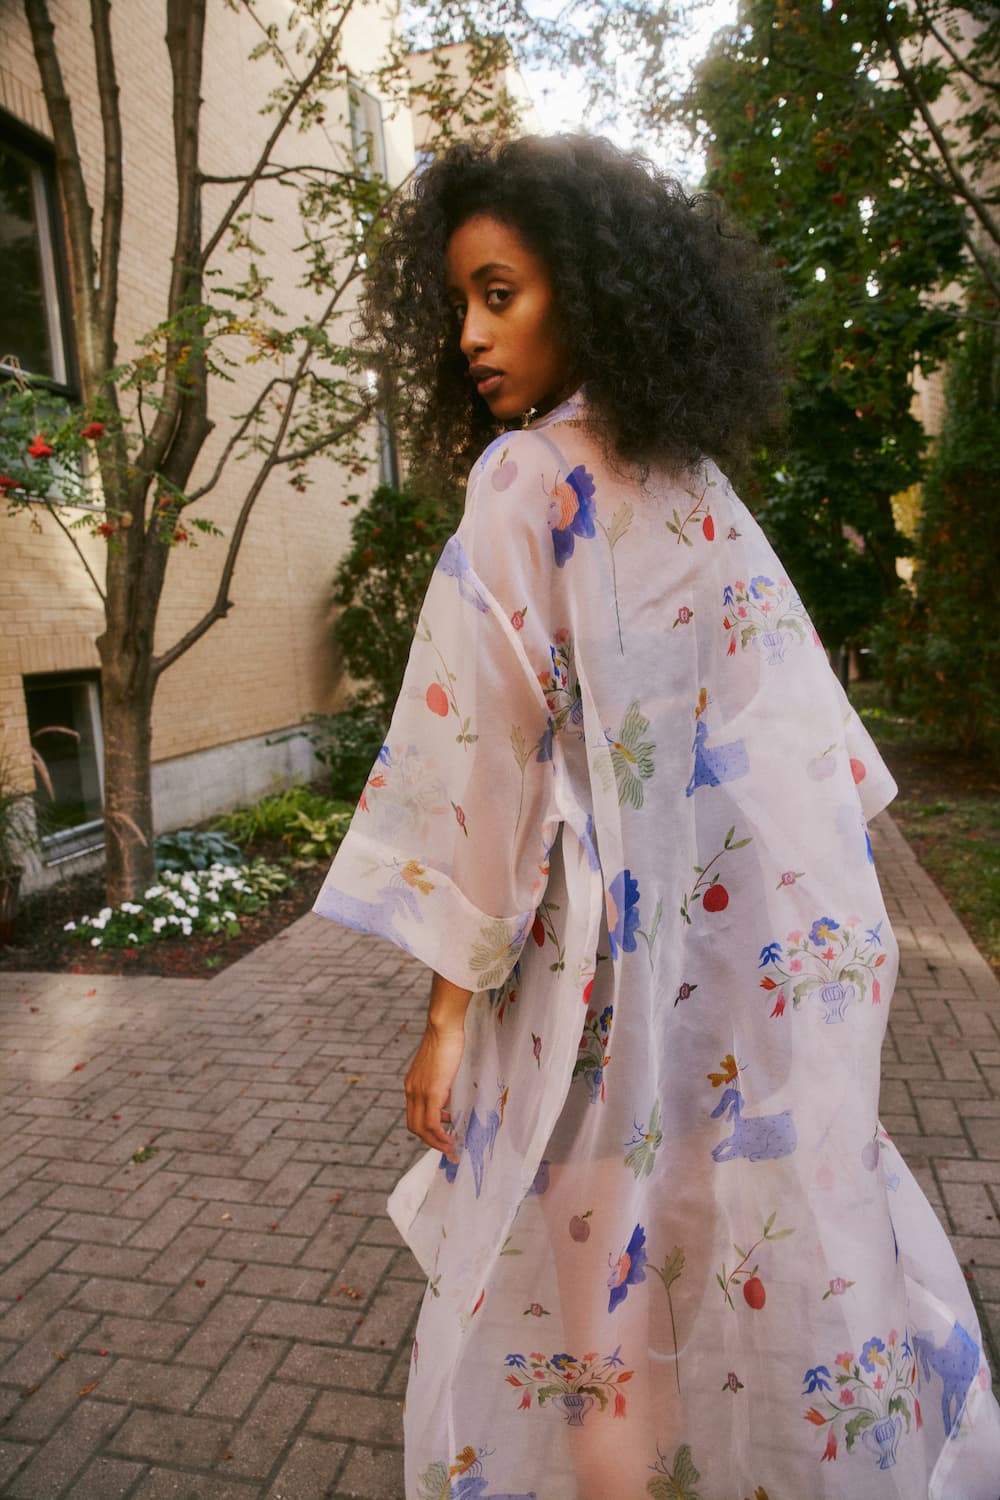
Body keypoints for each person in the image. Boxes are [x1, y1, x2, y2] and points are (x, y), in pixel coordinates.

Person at [314, 135, 1000, 1499]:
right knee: (714, 1276)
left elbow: (490, 773)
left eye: (496, 293)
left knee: (602, 1332)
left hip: (601, 991)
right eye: (457, 302)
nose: (467, 334)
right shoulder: (695, 485)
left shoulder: (522, 482)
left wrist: (450, 1018)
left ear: (583, 288)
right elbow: (809, 749)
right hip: (741, 971)